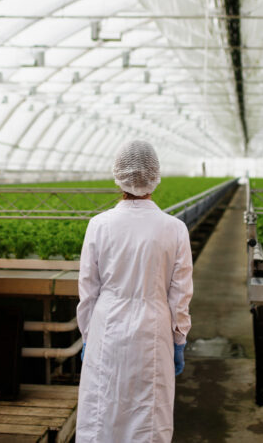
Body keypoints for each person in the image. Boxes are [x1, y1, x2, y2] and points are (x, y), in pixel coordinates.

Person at [76, 140, 194, 443]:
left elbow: (88, 290)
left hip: (107, 326)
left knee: (103, 411)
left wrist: (88, 335)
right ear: (155, 176)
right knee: (148, 415)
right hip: (153, 329)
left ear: (118, 176)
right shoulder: (174, 228)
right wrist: (179, 338)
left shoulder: (98, 225)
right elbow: (180, 294)